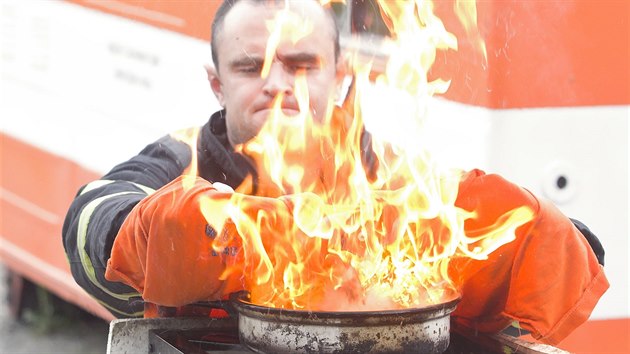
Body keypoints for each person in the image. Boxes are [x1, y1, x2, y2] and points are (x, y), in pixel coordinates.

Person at [62, 0, 608, 345]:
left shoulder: (393, 179)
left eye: (301, 65)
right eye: (251, 67)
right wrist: (206, 235)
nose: (278, 85)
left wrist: (520, 241)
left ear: (341, 75)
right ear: (217, 83)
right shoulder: (182, 162)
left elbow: (555, 247)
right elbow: (90, 222)